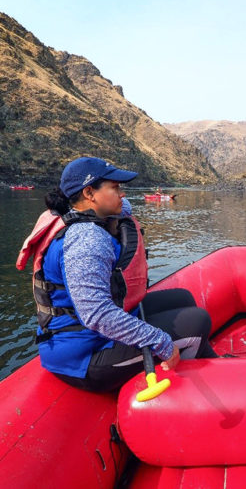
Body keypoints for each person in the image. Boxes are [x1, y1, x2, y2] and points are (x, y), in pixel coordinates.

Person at [17, 157, 218, 392]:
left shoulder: (91, 216)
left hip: (90, 335)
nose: (123, 194)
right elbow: (97, 314)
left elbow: (124, 208)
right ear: (90, 193)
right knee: (197, 321)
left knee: (182, 298)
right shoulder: (86, 239)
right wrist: (157, 339)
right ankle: (192, 386)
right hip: (84, 355)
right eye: (115, 188)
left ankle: (212, 360)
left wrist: (116, 198)